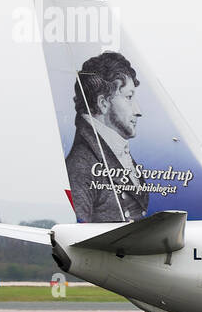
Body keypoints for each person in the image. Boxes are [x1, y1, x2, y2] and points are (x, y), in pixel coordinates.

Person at [64, 51, 149, 222]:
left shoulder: (113, 152)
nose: (138, 111)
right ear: (103, 103)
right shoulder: (82, 165)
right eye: (129, 97)